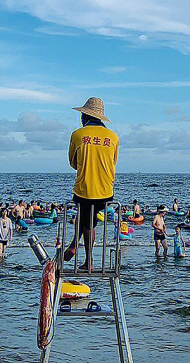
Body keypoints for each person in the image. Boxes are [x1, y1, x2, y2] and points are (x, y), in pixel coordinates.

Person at [63, 97, 119, 271]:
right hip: (106, 189)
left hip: (85, 188)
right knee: (90, 219)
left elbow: (73, 163)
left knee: (87, 220)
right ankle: (74, 244)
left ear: (84, 117)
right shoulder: (113, 137)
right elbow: (113, 162)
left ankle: (88, 260)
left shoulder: (77, 135)